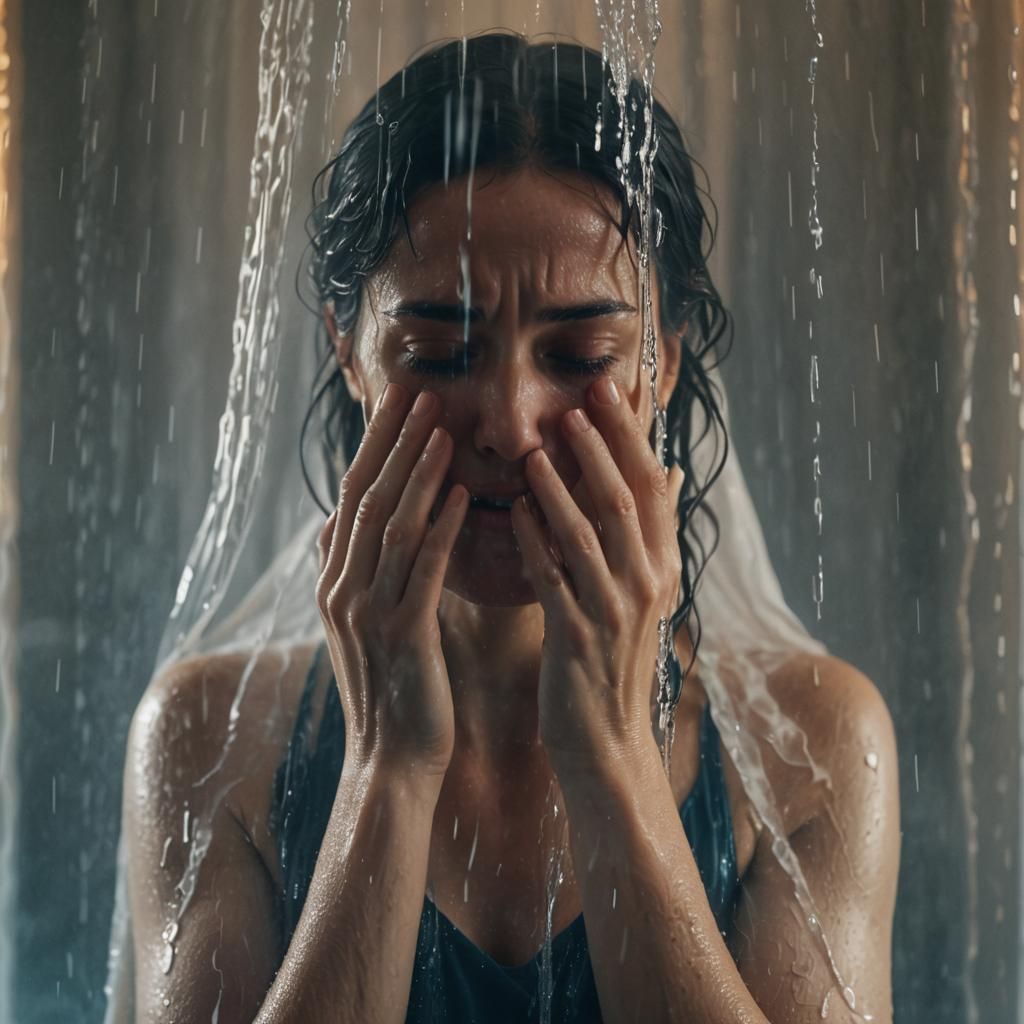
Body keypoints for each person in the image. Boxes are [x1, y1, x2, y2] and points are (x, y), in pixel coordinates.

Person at [118, 32, 900, 1024]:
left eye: (577, 352)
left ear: (659, 365)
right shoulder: (207, 737)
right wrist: (387, 767)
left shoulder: (813, 741)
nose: (507, 420)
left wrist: (614, 756)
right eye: (439, 353)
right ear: (349, 357)